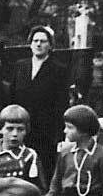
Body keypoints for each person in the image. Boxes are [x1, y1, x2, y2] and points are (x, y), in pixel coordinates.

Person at [9, 24, 72, 177]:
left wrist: (58, 135)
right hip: (20, 128)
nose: (38, 44)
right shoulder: (20, 66)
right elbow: (12, 96)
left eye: (43, 41)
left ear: (50, 45)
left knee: (43, 171)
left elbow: (61, 103)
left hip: (46, 132)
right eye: (35, 41)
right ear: (30, 44)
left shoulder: (59, 69)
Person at [0, 104, 45, 190]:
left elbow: (39, 189)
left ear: (26, 131)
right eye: (10, 129)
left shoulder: (30, 156)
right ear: (0, 129)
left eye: (20, 129)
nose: (15, 134)